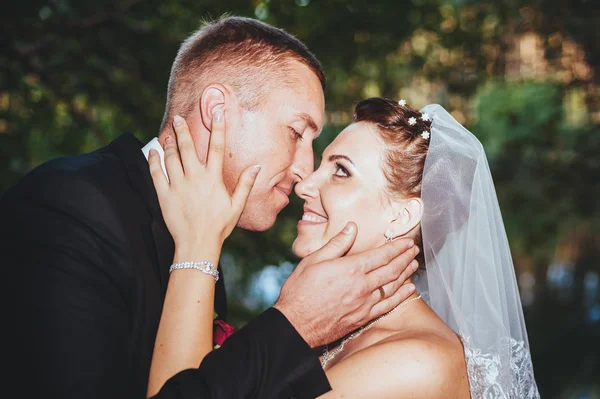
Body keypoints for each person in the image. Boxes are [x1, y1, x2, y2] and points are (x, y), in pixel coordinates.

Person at [0, 17, 419, 399]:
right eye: (296, 132)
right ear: (218, 111)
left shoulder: (202, 237)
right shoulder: (69, 209)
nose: (304, 170)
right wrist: (292, 324)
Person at [149, 98, 541, 398]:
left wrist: (197, 246)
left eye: (340, 171)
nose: (304, 185)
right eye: (323, 165)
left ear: (401, 217)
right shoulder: (337, 325)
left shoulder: (417, 361)